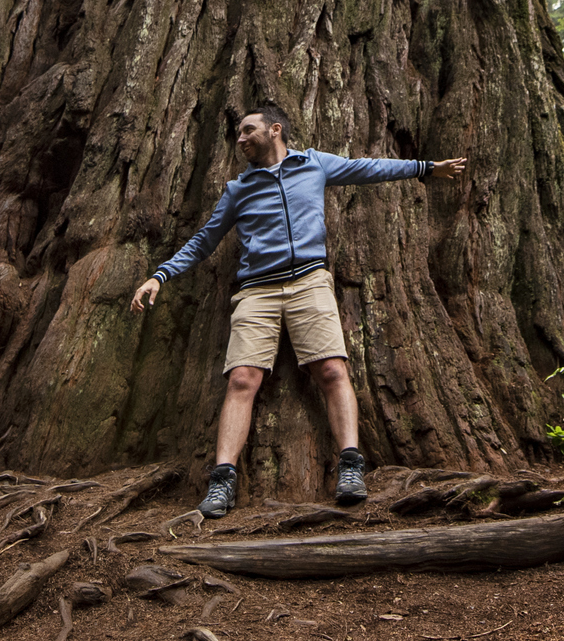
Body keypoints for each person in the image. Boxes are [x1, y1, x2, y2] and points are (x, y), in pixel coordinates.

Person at [130, 105, 466, 515]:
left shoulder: (314, 164)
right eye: (238, 133)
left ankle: (350, 465)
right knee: (241, 378)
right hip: (257, 290)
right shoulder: (239, 189)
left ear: (275, 130)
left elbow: (368, 168)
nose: (240, 139)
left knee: (332, 370)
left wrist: (426, 168)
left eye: (247, 130)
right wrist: (160, 275)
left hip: (310, 281)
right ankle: (222, 480)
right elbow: (204, 240)